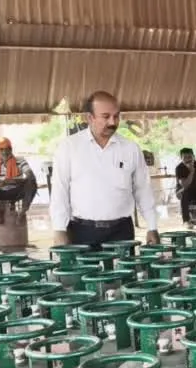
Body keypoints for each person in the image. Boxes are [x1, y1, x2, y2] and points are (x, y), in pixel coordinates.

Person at [49, 91, 159, 249]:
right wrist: (59, 229)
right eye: (106, 116)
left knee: (124, 267)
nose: (112, 122)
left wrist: (152, 226)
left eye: (116, 116)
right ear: (90, 118)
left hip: (122, 232)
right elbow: (60, 191)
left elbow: (143, 189)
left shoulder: (130, 149)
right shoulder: (69, 147)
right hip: (82, 232)